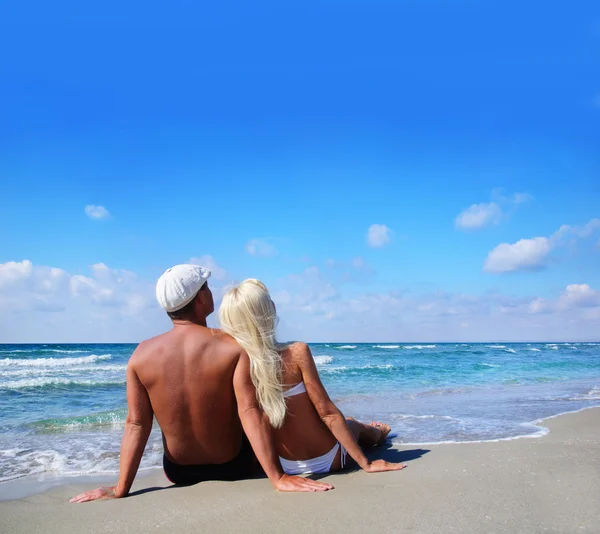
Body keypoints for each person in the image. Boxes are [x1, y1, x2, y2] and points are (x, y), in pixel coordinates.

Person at [70, 265, 332, 503]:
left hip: (178, 472)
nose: (210, 292)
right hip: (234, 467)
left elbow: (137, 423)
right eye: (206, 287)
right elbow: (250, 411)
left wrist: (120, 488)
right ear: (200, 299)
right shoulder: (230, 346)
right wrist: (278, 478)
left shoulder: (141, 355)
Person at [218, 279, 406, 476]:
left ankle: (374, 431)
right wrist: (366, 464)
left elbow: (250, 420)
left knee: (350, 424)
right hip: (332, 459)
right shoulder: (297, 352)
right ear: (270, 310)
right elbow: (327, 412)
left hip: (283, 466)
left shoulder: (238, 364)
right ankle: (379, 433)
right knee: (352, 425)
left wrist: (276, 477)